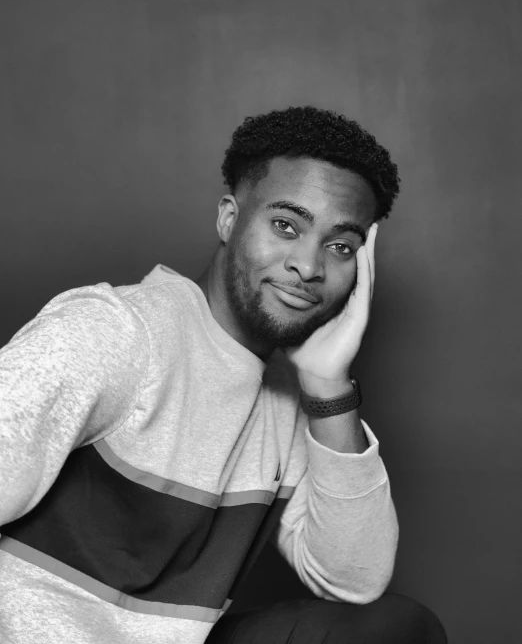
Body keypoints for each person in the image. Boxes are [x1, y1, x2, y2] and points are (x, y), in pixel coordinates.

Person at [0, 107, 446, 643]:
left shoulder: (291, 395)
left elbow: (353, 579)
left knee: (392, 628)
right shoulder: (116, 332)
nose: (309, 265)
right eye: (286, 226)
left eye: (340, 246)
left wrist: (329, 387)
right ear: (229, 219)